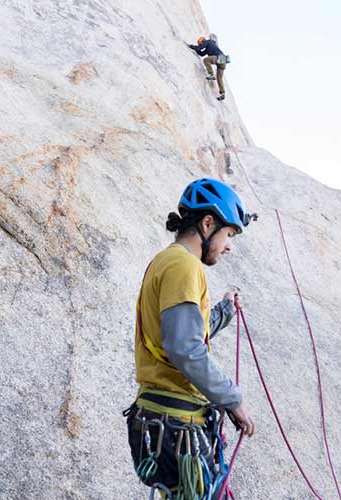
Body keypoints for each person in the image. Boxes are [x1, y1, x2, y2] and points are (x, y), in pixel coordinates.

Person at [125, 178, 256, 499]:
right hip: (176, 426)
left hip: (160, 421)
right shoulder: (184, 266)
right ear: (207, 223)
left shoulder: (166, 261)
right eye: (228, 234)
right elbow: (185, 348)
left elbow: (185, 331)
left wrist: (225, 310)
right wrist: (232, 399)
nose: (229, 246)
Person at [188, 34, 228, 101]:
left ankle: (211, 74)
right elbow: (201, 53)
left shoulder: (208, 42)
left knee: (206, 60)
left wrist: (191, 46)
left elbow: (200, 48)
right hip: (223, 60)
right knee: (219, 78)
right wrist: (196, 49)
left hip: (219, 58)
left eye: (201, 43)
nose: (201, 44)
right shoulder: (209, 46)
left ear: (203, 41)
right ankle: (222, 93)